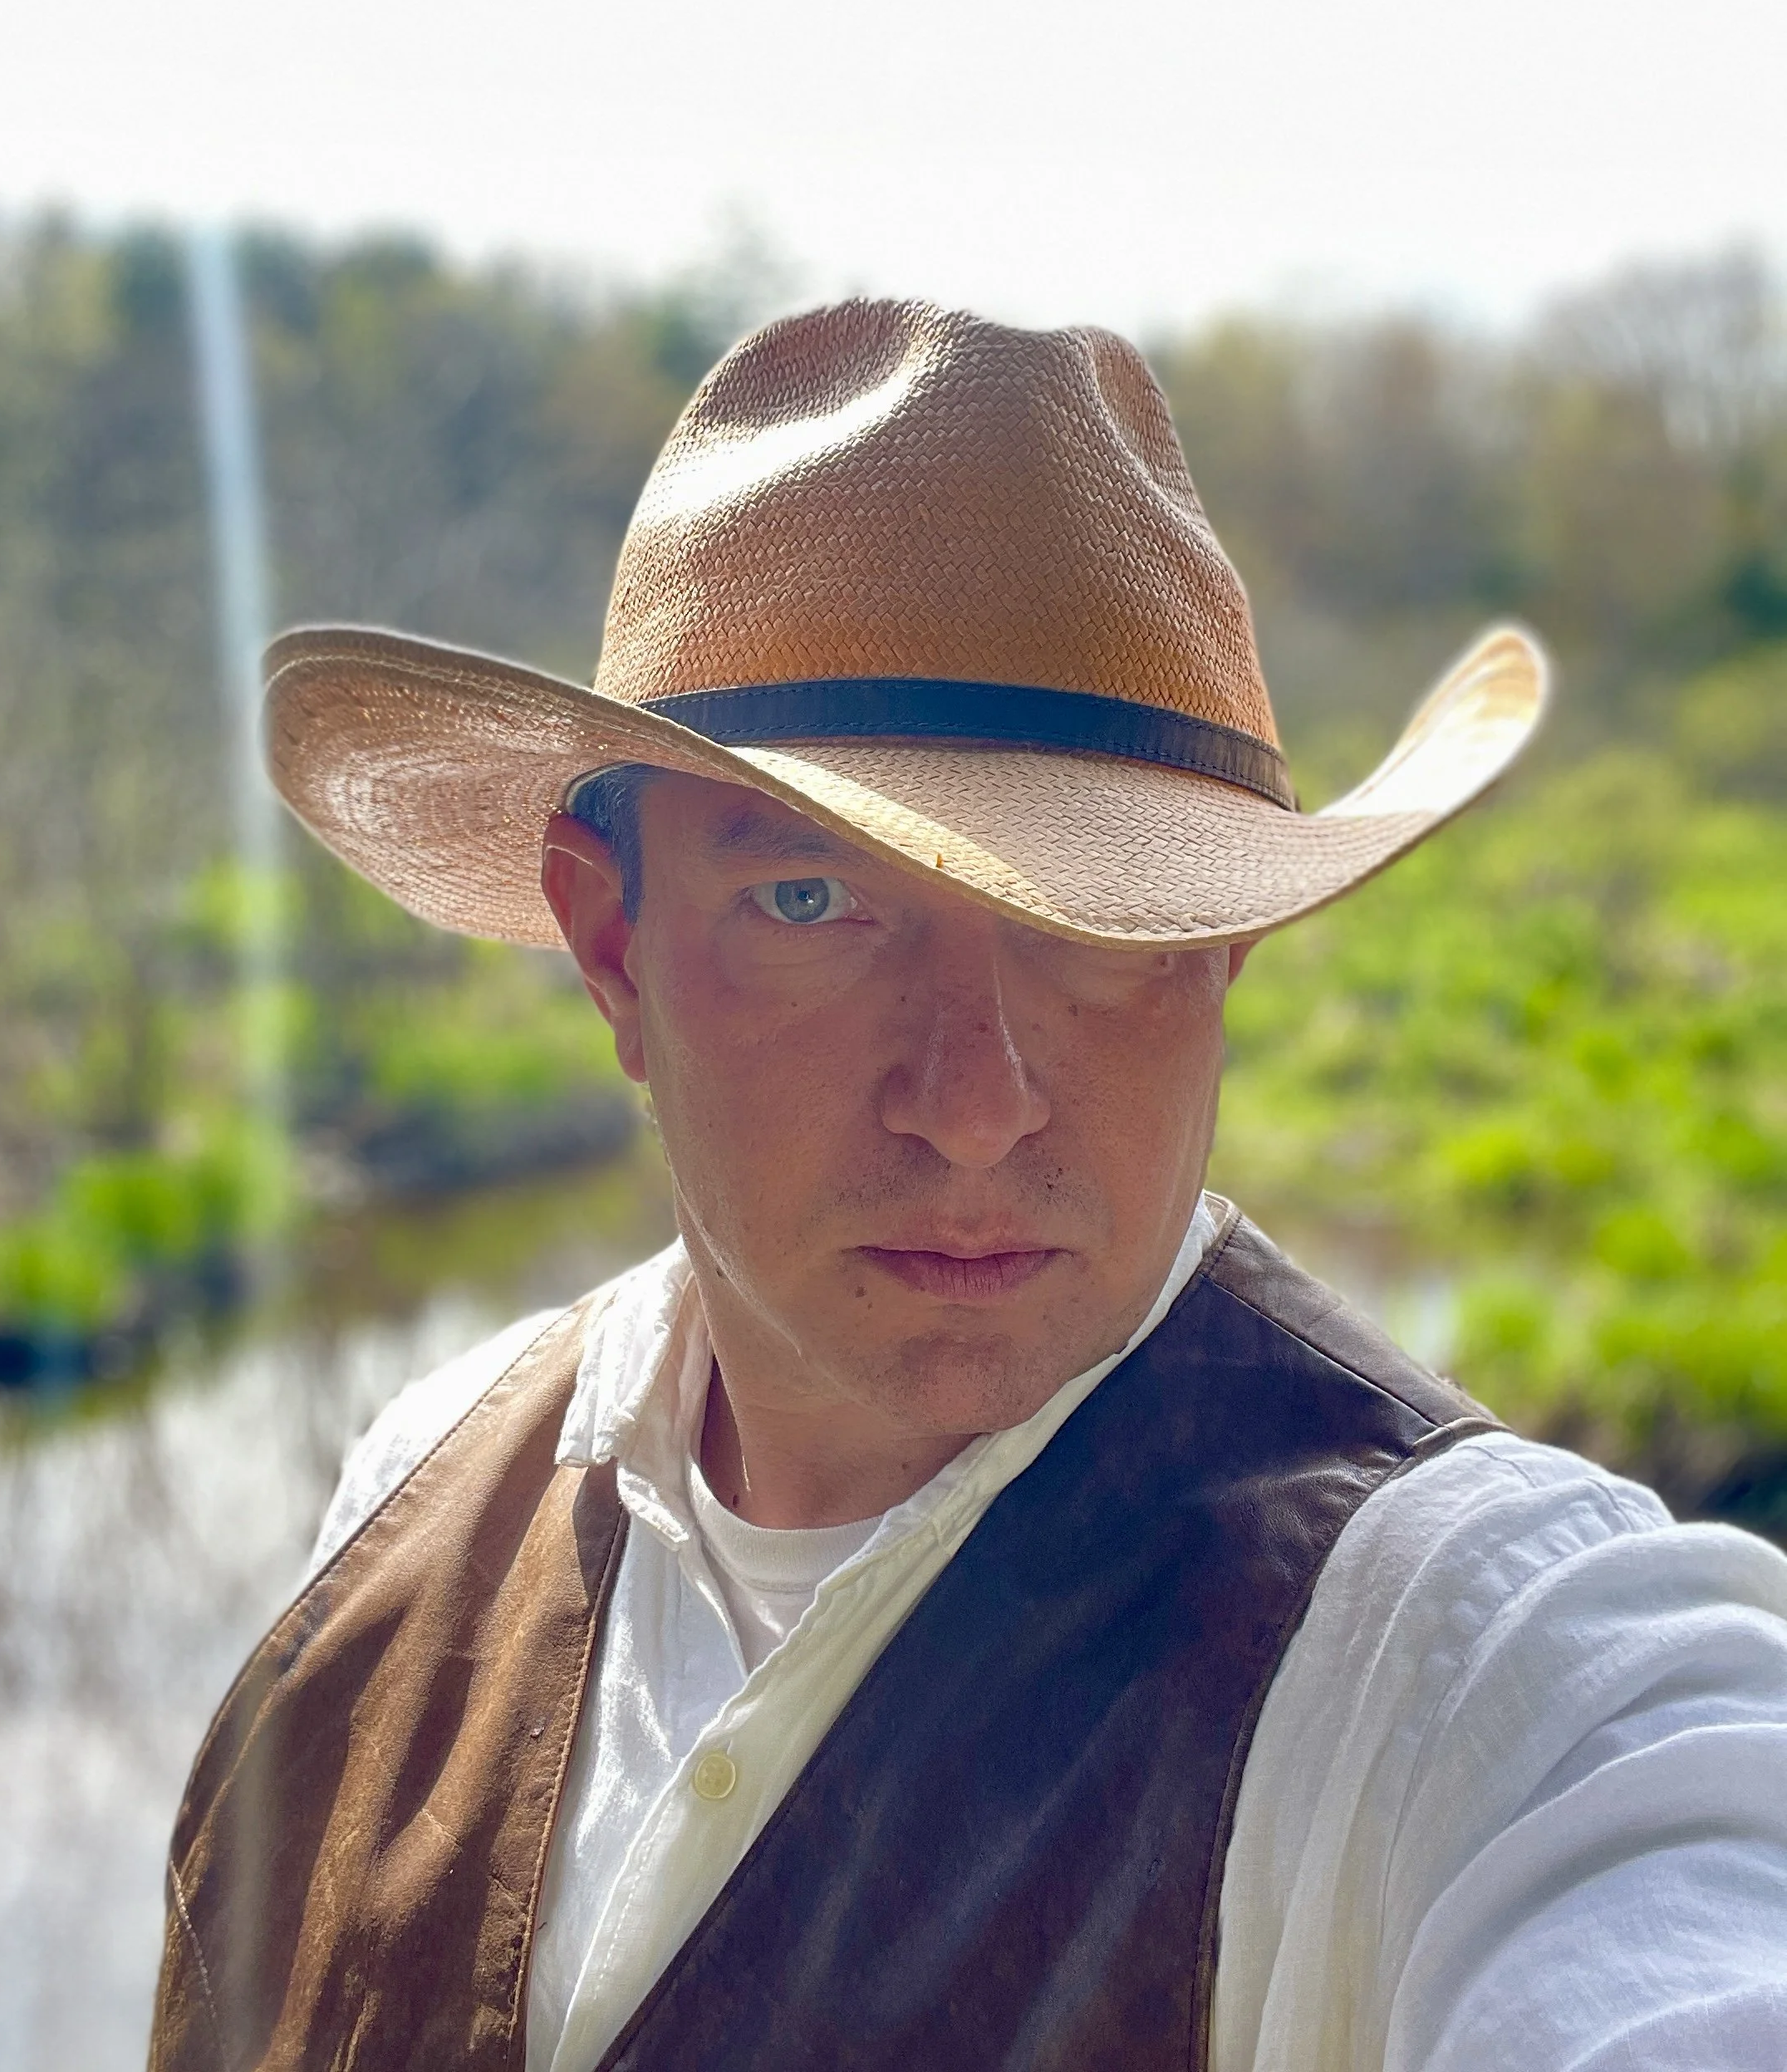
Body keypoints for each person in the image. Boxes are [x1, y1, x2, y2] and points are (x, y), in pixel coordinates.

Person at [150, 299, 1787, 2072]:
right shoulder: (416, 1487)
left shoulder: (1476, 1669)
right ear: (611, 940)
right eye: (812, 902)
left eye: (1102, 933)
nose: (978, 1103)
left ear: (1226, 950)